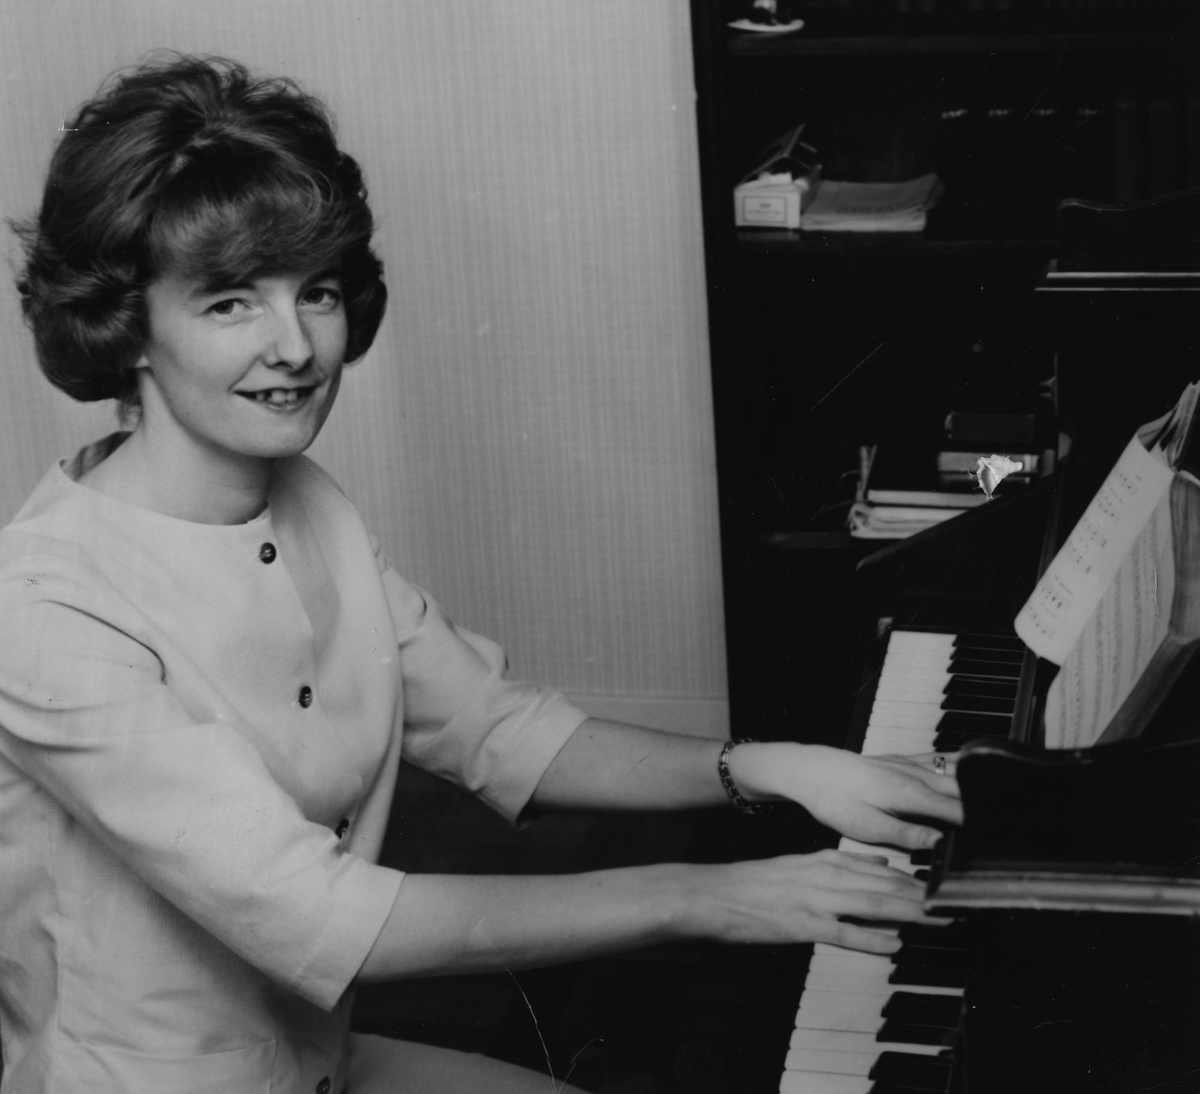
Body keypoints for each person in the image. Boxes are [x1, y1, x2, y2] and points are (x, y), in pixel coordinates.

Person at [0, 54, 961, 1094]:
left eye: (315, 291)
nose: (297, 347)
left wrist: (771, 766)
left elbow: (499, 731)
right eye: (230, 302)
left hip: (314, 1060)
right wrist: (716, 896)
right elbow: (326, 917)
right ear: (127, 323)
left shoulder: (307, 500)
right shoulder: (47, 608)